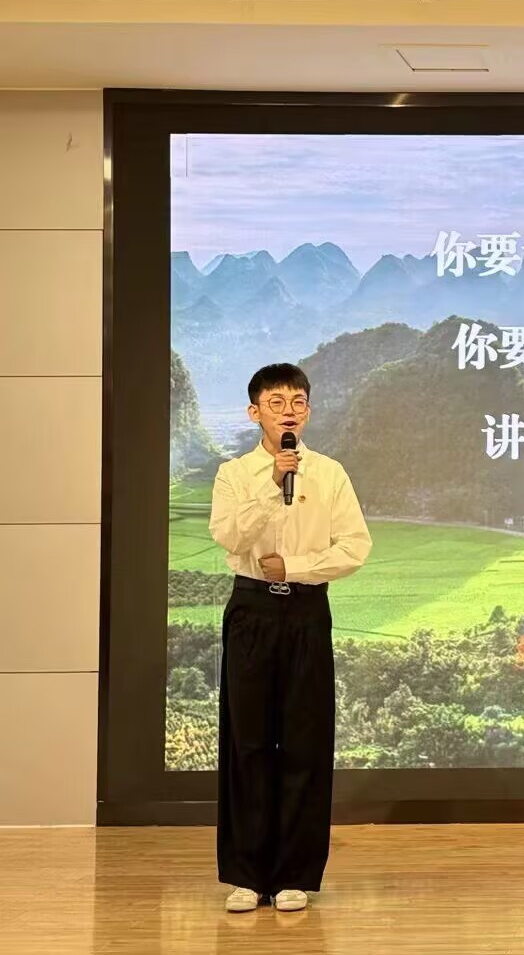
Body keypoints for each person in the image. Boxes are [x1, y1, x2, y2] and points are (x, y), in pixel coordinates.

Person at [208, 364, 372, 913]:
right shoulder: (235, 474)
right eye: (276, 402)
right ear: (254, 412)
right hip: (251, 610)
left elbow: (354, 546)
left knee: (304, 739)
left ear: (308, 411)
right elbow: (229, 536)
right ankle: (248, 875)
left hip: (305, 609)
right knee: (249, 740)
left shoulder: (330, 473)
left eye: (298, 402)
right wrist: (272, 482)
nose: (288, 412)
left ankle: (294, 875)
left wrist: (296, 568)